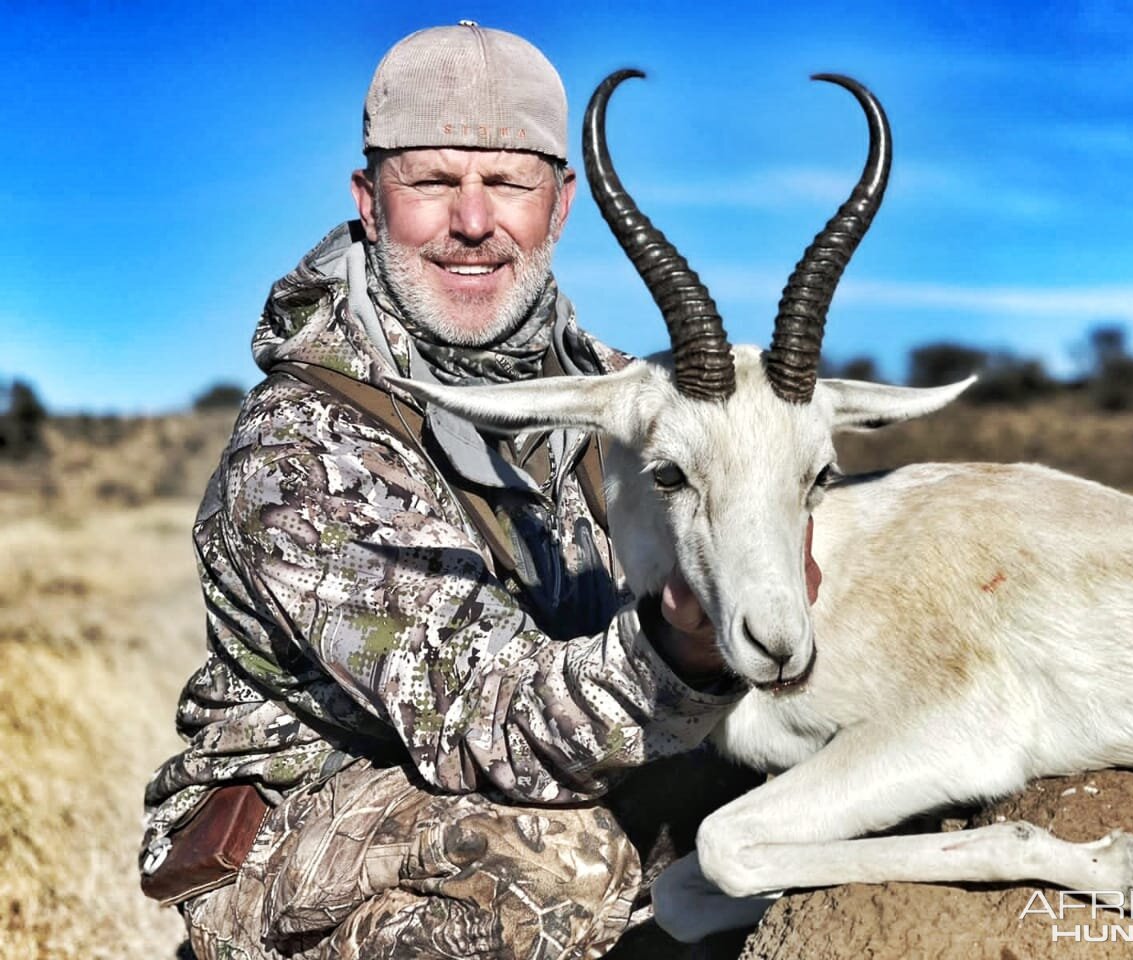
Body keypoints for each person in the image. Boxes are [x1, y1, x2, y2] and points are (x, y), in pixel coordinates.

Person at [140, 22, 817, 960]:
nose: (471, 220)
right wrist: (683, 638)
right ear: (369, 201)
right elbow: (488, 718)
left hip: (572, 753)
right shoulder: (297, 449)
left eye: (506, 182)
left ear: (560, 206)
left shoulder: (634, 400)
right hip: (315, 820)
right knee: (555, 864)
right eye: (430, 182)